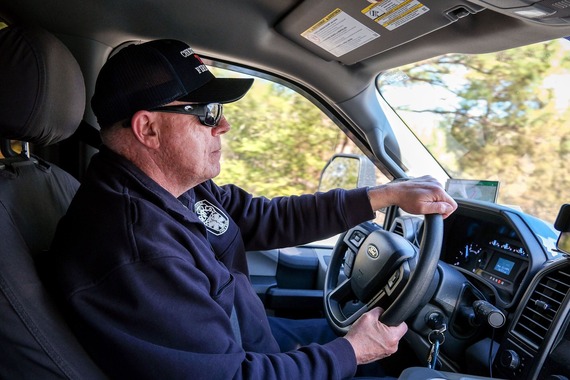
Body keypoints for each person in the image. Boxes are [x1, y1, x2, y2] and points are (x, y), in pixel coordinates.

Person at [42, 39, 457, 379]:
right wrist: (352, 352)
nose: (223, 125)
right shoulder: (136, 249)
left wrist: (383, 195)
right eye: (206, 113)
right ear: (148, 129)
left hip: (252, 341)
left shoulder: (177, 188)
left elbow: (265, 218)